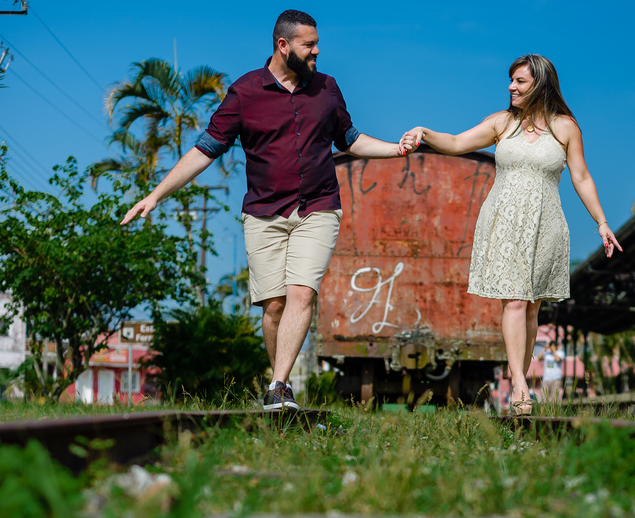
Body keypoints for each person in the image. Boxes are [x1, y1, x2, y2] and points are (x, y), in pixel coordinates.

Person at [121, 9, 416, 411]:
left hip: (318, 208)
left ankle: (279, 386)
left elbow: (348, 139)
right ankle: (278, 381)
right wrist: (156, 194)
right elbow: (205, 149)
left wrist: (393, 150)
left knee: (301, 292)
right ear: (283, 45)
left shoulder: (327, 88)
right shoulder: (245, 93)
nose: (316, 53)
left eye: (317, 45)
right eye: (308, 46)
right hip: (263, 213)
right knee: (274, 305)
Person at [399, 54, 621, 415]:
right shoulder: (502, 123)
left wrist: (601, 222)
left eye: (519, 81)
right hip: (504, 220)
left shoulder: (565, 127)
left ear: (541, 84)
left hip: (547, 223)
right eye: (511, 80)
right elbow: (456, 143)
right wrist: (424, 132)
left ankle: (520, 377)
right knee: (515, 301)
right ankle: (519, 385)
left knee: (532, 307)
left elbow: (580, 176)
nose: (511, 87)